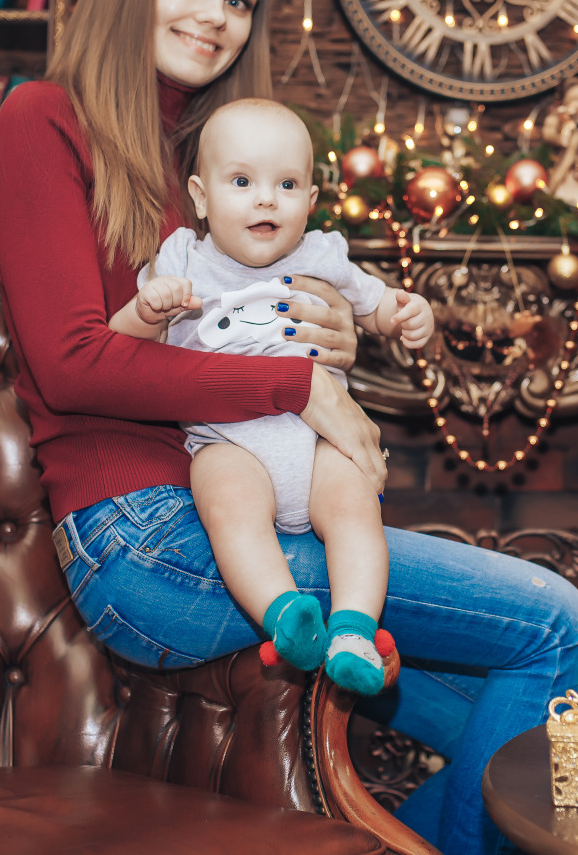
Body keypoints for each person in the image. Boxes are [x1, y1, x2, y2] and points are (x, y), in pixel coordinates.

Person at [0, 0, 578, 855]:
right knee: (550, 624)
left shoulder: (223, 163)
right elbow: (70, 365)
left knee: (486, 708)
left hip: (232, 505)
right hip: (143, 535)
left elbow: (250, 331)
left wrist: (322, 340)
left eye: (237, 0)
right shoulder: (41, 118)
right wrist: (296, 385)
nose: (213, 17)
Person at [106, 97, 435, 695]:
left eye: (286, 185)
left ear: (310, 203)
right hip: (230, 442)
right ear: (201, 198)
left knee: (357, 506)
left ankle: (355, 629)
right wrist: (144, 310)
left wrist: (408, 314)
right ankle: (285, 615)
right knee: (229, 506)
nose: (266, 199)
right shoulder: (181, 259)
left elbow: (375, 303)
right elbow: (115, 350)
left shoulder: (322, 254)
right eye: (242, 182)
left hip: (319, 443)